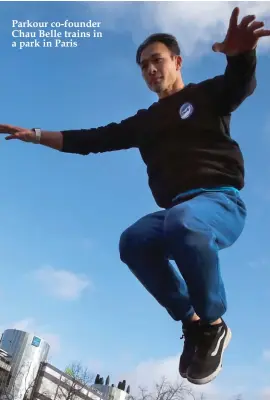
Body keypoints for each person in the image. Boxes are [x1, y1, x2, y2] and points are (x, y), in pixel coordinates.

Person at [1, 7, 269, 386]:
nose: (150, 70)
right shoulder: (144, 122)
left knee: (184, 223)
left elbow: (239, 84)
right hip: (177, 211)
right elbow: (92, 140)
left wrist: (242, 55)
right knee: (134, 241)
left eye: (157, 61)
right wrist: (36, 134)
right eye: (143, 66)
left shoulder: (206, 95)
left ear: (177, 61)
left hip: (220, 201)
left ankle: (213, 323)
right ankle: (191, 322)